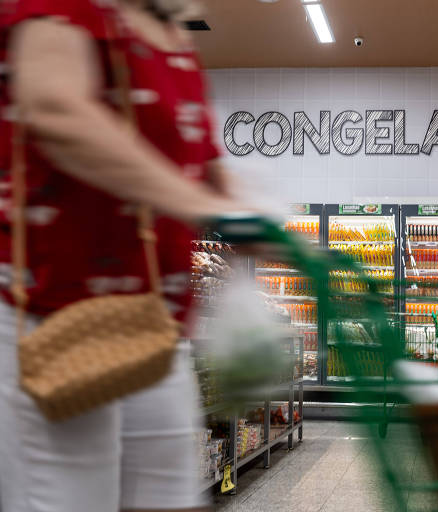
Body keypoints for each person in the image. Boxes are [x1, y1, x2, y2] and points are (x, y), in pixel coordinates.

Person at [0, 1, 258, 511]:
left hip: (153, 327)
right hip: (59, 318)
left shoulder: (179, 43)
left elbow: (207, 163)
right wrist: (201, 205)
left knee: (169, 492)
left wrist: (261, 224)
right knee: (69, 497)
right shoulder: (69, 10)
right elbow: (56, 108)